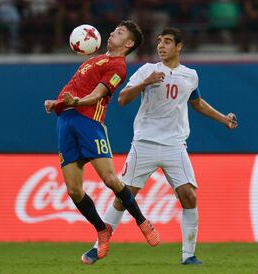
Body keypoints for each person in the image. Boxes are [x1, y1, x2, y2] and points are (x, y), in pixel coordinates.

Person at [81, 27, 238, 265]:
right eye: (159, 42)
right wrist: (145, 82)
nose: (161, 46)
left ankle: (189, 255)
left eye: (167, 42)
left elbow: (197, 103)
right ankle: (97, 247)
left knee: (189, 196)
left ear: (179, 47)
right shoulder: (148, 70)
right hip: (144, 143)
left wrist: (223, 119)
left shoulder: (190, 75)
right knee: (124, 198)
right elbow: (122, 99)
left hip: (175, 146)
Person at [44, 20, 160, 263]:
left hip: (89, 123)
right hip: (65, 121)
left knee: (110, 179)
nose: (112, 33)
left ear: (128, 43)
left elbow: (96, 95)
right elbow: (74, 89)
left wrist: (76, 102)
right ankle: (101, 229)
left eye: (119, 32)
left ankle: (142, 221)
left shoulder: (118, 66)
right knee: (74, 190)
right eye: (114, 30)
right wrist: (58, 103)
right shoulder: (92, 59)